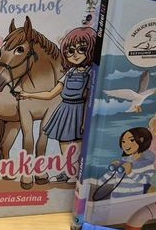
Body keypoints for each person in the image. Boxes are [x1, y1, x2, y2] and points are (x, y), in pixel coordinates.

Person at [18, 26, 97, 163]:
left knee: (78, 144)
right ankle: (67, 168)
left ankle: (75, 168)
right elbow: (50, 94)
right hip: (65, 111)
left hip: (80, 111)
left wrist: (85, 121)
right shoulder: (70, 73)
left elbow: (89, 99)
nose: (75, 55)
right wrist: (29, 94)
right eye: (70, 51)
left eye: (82, 49)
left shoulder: (90, 73)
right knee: (64, 142)